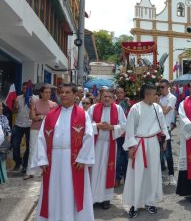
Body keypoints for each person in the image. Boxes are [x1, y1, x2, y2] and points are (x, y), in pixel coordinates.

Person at [31, 83, 95, 221]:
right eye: (62, 92)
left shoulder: (82, 114)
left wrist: (83, 159)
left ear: (75, 95)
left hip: (74, 160)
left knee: (72, 192)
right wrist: (42, 160)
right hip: (54, 161)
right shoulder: (50, 115)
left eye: (67, 92)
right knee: (54, 191)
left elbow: (88, 137)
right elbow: (42, 138)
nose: (64, 95)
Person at [122, 83, 170, 218]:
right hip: (139, 144)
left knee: (152, 172)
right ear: (147, 94)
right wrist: (131, 147)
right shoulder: (135, 109)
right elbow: (130, 128)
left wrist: (165, 139)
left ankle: (150, 202)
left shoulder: (157, 108)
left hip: (153, 143)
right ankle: (134, 204)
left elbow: (162, 124)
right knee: (137, 173)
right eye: (155, 94)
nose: (156, 96)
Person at [88, 89, 126, 209]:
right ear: (100, 97)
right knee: (93, 171)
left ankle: (106, 199)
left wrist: (112, 127)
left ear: (113, 98)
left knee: (107, 171)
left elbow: (124, 125)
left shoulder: (118, 109)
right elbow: (85, 123)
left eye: (109, 97)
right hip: (95, 145)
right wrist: (97, 125)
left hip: (110, 145)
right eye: (105, 96)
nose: (107, 99)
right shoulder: (93, 108)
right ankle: (92, 198)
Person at [25, 84, 58, 180]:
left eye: (49, 93)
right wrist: (38, 115)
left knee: (46, 149)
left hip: (48, 130)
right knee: (32, 149)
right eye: (46, 92)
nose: (48, 94)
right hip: (35, 128)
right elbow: (32, 117)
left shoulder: (53, 104)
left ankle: (43, 170)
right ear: (41, 93)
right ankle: (30, 171)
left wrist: (40, 117)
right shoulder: (35, 102)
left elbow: (54, 119)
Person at [158, 79, 177, 185]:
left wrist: (158, 102)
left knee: (168, 152)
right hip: (157, 128)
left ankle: (171, 175)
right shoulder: (160, 98)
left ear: (168, 87)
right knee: (158, 152)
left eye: (162, 87)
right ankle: (159, 172)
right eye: (159, 87)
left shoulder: (172, 97)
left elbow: (165, 111)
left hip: (167, 128)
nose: (161, 89)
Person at [11, 82, 32, 172]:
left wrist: (32, 105)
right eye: (23, 88)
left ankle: (25, 164)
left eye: (26, 88)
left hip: (30, 125)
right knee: (15, 144)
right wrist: (15, 106)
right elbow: (14, 112)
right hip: (19, 124)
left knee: (29, 145)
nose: (24, 90)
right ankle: (18, 162)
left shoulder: (35, 98)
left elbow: (36, 111)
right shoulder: (18, 98)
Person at [114, 87, 133, 187]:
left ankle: (127, 179)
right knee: (117, 158)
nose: (120, 94)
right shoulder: (114, 104)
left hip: (127, 135)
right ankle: (116, 178)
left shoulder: (129, 103)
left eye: (121, 92)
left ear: (124, 93)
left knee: (126, 158)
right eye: (118, 93)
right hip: (118, 134)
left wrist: (129, 106)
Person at [0, 101, 11, 185]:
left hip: (1, 147)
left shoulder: (4, 118)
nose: (2, 108)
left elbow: (8, 132)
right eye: (0, 106)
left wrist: (6, 146)